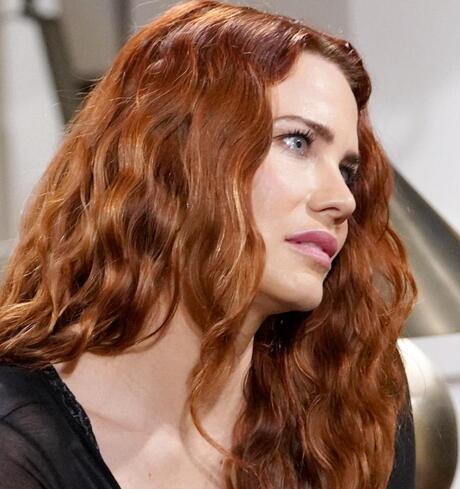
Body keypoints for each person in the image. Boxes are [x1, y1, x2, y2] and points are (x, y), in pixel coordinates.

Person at [0, 1, 416, 488]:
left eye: (347, 169)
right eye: (298, 142)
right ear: (174, 155)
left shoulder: (355, 411)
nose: (342, 199)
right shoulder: (15, 439)